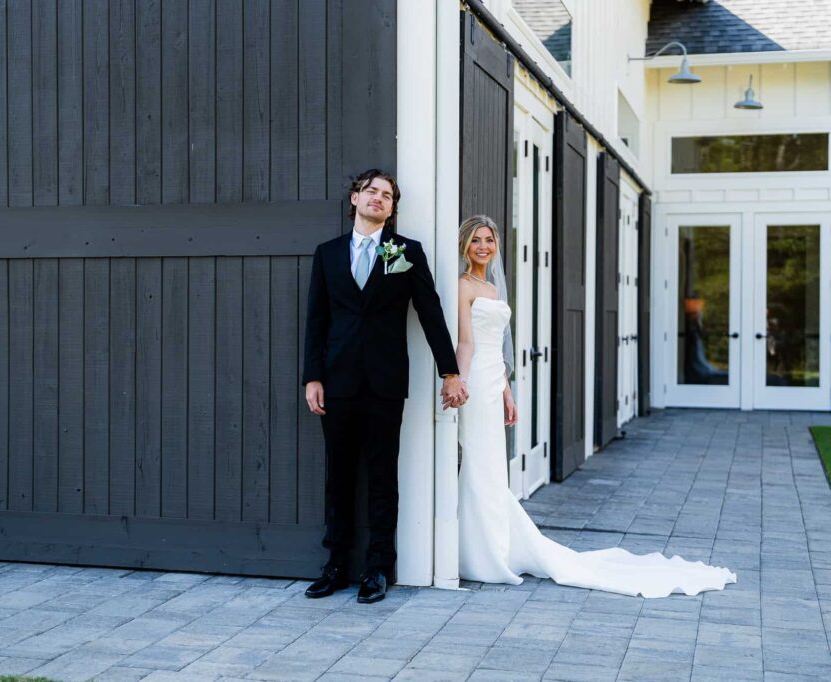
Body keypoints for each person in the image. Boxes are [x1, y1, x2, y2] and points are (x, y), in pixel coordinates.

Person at [455, 215, 737, 598]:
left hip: (494, 382)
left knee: (491, 466)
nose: (483, 247)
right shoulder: (463, 286)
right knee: (478, 464)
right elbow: (468, 344)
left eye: (489, 240)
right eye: (476, 241)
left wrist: (507, 391)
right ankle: (480, 551)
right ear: (465, 246)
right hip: (473, 382)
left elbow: (499, 346)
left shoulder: (492, 286)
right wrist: (457, 382)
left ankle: (493, 549)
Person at [301, 169, 467, 604]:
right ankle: (335, 565)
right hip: (335, 382)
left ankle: (377, 568)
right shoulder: (328, 253)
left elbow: (430, 312)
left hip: (384, 383)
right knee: (338, 476)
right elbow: (317, 320)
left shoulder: (403, 251)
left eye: (387, 195)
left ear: (392, 209)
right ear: (355, 198)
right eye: (370, 191)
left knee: (381, 477)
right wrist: (312, 377)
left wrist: (449, 371)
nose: (378, 198)